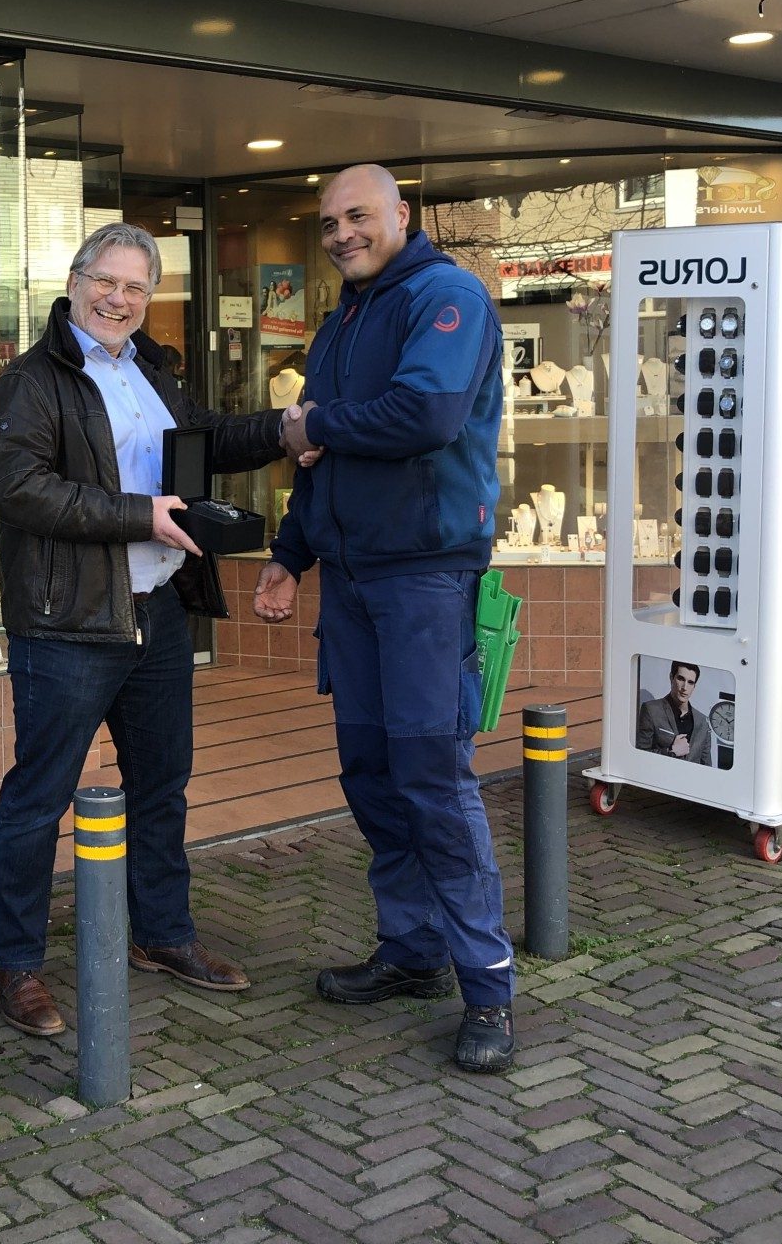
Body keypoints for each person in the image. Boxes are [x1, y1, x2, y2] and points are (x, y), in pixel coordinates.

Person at [0, 222, 289, 1037]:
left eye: (136, 288)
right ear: (75, 281)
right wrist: (137, 516)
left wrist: (289, 429)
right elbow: (21, 492)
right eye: (106, 282)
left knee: (162, 788)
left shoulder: (154, 370)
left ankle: (161, 936)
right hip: (70, 622)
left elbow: (207, 439)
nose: (119, 299)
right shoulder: (31, 382)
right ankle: (13, 964)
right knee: (37, 798)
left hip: (155, 610)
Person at [254, 162, 519, 1075]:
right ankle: (412, 952)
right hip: (355, 585)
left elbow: (429, 413)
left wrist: (316, 420)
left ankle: (487, 987)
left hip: (424, 582)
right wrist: (291, 558)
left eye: (358, 217)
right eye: (329, 223)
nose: (341, 234)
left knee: (433, 778)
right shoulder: (341, 323)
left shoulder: (447, 296)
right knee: (371, 772)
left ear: (401, 215)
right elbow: (317, 461)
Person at [637, 660, 715, 764]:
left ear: (694, 686)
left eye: (690, 682)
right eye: (681, 679)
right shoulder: (651, 710)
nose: (684, 688)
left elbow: (707, 766)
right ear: (671, 677)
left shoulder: (703, 722)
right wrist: (671, 752)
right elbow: (639, 755)